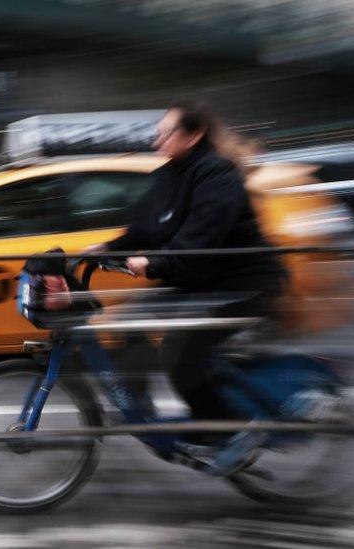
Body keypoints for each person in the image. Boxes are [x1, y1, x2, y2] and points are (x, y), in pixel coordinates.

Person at [88, 101, 287, 427]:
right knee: (127, 320)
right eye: (157, 135)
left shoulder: (216, 172)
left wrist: (153, 262)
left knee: (178, 357)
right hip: (199, 282)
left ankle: (225, 432)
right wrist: (105, 248)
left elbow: (201, 237)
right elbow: (147, 228)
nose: (156, 142)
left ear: (193, 136)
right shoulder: (168, 174)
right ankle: (137, 409)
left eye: (165, 134)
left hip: (242, 284)